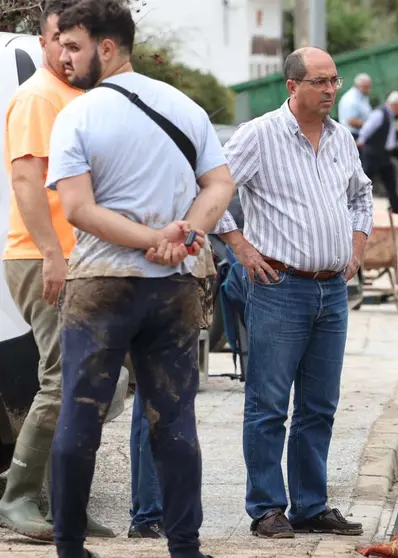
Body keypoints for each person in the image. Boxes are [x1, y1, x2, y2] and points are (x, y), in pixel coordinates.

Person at [44, 1, 239, 557]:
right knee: (174, 417)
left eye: (73, 46)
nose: (63, 57)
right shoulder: (185, 107)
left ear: (107, 48)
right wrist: (183, 237)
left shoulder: (77, 116)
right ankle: (184, 546)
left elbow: (78, 210)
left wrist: (150, 239)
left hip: (101, 283)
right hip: (174, 284)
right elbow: (220, 185)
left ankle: (69, 546)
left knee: (80, 415)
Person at [223, 47, 371, 540]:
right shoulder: (260, 135)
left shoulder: (340, 137)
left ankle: (311, 505)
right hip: (278, 286)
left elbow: (361, 194)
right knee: (268, 404)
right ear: (293, 86)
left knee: (319, 405)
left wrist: (356, 244)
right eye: (320, 82)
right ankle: (267, 507)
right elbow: (211, 189)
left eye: (335, 81)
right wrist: (240, 247)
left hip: (331, 292)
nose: (331, 90)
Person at [0, 0, 113, 541]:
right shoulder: (37, 96)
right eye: (55, 41)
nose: (65, 52)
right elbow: (25, 182)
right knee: (62, 377)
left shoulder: (80, 95)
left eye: (73, 42)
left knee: (90, 383)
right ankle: (18, 496)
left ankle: (66, 501)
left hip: (84, 260)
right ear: (41, 40)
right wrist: (51, 254)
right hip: (40, 257)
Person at [357, 90, 398, 215]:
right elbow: (367, 129)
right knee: (364, 181)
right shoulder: (380, 113)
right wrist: (360, 141)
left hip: (384, 155)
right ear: (396, 105)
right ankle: (354, 208)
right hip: (373, 154)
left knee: (391, 182)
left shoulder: (389, 114)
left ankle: (396, 208)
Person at [338, 73, 373, 139]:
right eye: (367, 87)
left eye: (369, 87)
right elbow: (351, 121)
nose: (369, 90)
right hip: (353, 136)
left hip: (360, 134)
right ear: (359, 86)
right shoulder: (350, 99)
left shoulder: (361, 96)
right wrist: (371, 126)